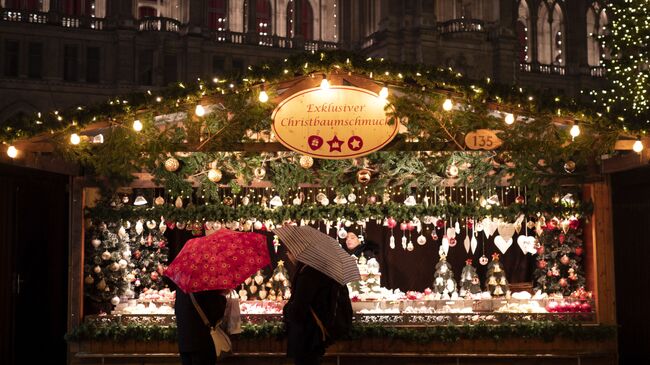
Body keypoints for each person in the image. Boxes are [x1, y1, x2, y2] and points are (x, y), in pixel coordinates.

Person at [283, 250, 338, 365]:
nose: (288, 256)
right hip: (314, 330)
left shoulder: (308, 273)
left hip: (307, 333)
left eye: (289, 252)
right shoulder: (318, 270)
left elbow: (300, 307)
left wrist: (288, 310)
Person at [174, 287, 227, 365]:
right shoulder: (206, 285)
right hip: (202, 342)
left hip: (184, 342)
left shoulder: (181, 287)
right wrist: (222, 296)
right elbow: (216, 313)